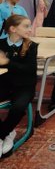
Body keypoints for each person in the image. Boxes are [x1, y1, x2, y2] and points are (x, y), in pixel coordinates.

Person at [0, 14, 38, 158]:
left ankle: (1, 135)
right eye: (26, 26)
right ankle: (8, 131)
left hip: (24, 86)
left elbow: (29, 69)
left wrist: (7, 62)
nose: (30, 29)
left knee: (18, 107)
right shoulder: (0, 44)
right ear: (13, 29)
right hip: (4, 84)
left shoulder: (31, 46)